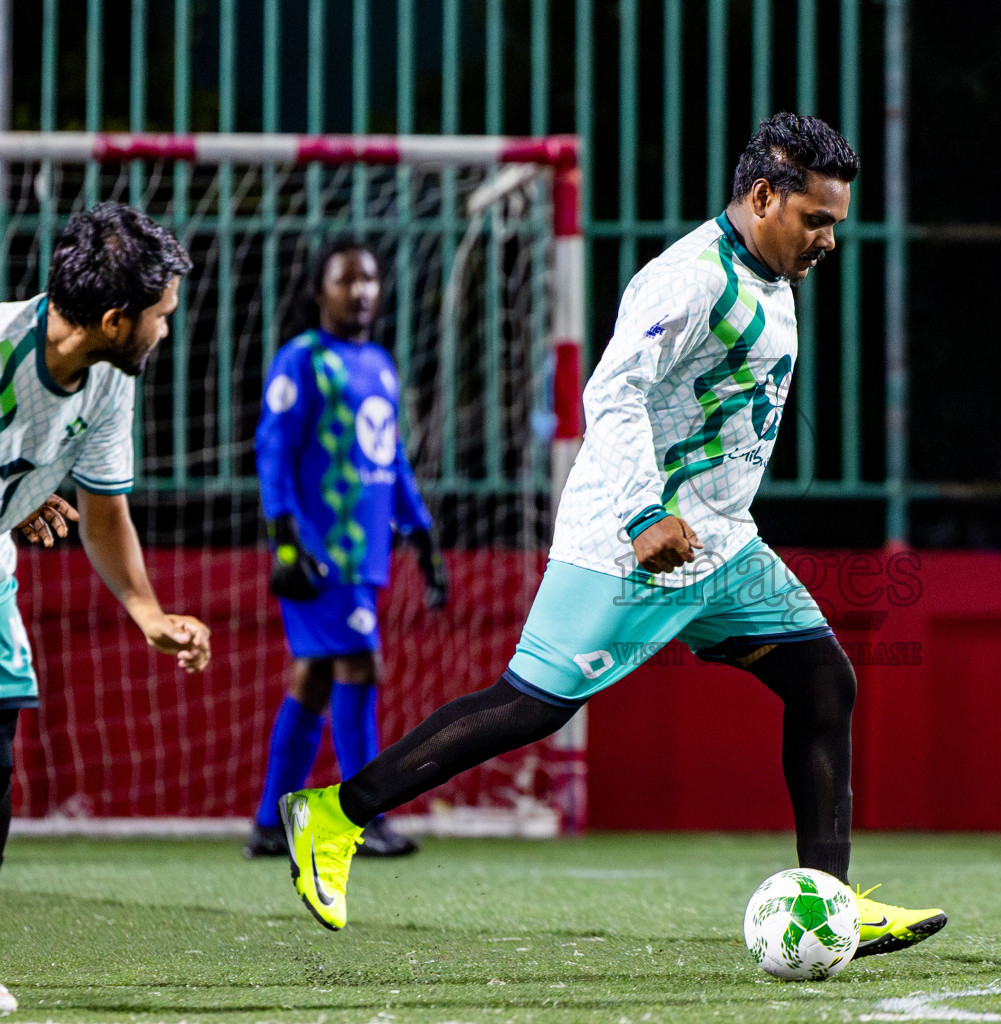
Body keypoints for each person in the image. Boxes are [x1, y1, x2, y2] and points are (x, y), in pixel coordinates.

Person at [277, 113, 947, 958]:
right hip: (626, 538)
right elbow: (613, 394)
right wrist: (643, 515)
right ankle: (335, 813)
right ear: (763, 197)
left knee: (825, 684)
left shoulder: (771, 273)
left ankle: (834, 904)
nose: (828, 240)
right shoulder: (688, 280)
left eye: (836, 223)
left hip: (721, 543)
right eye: (816, 220)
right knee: (528, 707)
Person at [0, 203, 213, 1015]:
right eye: (161, 318)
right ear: (117, 318)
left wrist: (146, 612)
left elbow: (102, 511)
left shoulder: (107, 383)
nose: (167, 331)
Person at [244, 238, 447, 860]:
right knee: (362, 666)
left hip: (364, 556)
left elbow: (391, 461)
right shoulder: (301, 359)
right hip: (318, 552)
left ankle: (270, 823)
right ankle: (363, 816)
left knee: (312, 680)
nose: (361, 291)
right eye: (345, 281)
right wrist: (283, 540)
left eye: (369, 280)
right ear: (319, 292)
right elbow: (271, 449)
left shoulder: (379, 363)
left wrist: (422, 535)